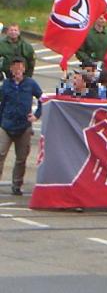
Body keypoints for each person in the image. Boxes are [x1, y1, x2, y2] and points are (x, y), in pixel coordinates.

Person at [0, 57, 43, 195]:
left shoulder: (30, 84)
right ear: (11, 70)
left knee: (21, 158)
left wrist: (37, 115)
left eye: (20, 68)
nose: (18, 71)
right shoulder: (6, 85)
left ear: (24, 69)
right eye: (15, 68)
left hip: (24, 126)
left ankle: (17, 184)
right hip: (6, 125)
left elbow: (42, 99)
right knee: (0, 154)